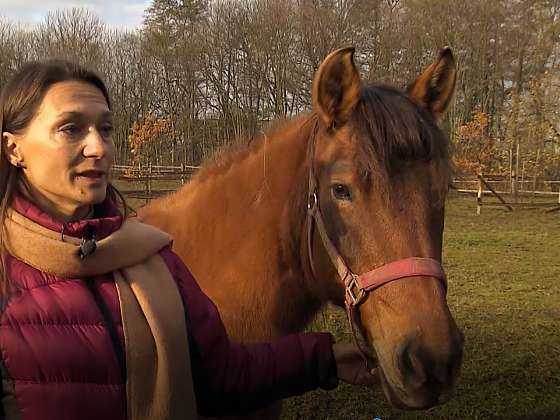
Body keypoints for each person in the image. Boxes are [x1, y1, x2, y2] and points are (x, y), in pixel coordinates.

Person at [0, 60, 376, 420]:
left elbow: (220, 375)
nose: (99, 147)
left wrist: (326, 359)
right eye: (71, 129)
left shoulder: (152, 257)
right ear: (14, 148)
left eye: (106, 128)